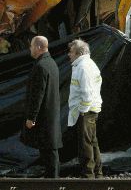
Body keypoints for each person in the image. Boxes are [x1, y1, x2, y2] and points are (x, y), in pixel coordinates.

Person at [21, 36, 63, 178]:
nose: (30, 49)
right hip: (50, 114)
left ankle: (53, 182)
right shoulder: (51, 63)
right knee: (50, 150)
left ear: (39, 47)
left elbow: (37, 94)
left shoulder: (41, 66)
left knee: (48, 151)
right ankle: (53, 180)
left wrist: (31, 117)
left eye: (32, 46)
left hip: (44, 116)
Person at [67, 39, 103, 179]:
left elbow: (87, 93)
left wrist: (82, 111)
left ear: (78, 52)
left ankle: (88, 176)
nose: (69, 55)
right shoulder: (87, 64)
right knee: (92, 142)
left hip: (86, 111)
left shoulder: (83, 67)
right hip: (91, 110)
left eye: (70, 52)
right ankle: (97, 174)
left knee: (85, 144)